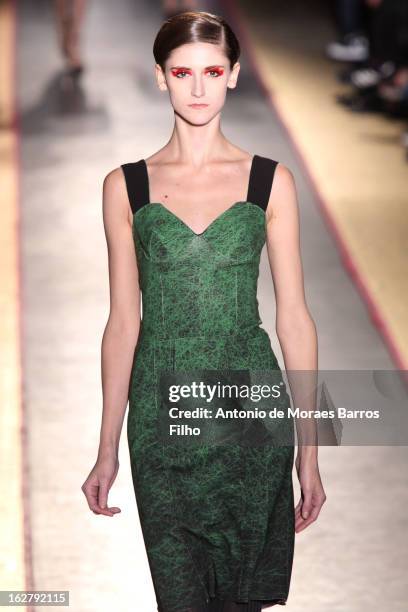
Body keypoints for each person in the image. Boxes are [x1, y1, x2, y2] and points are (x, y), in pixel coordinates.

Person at [81, 10, 326, 612]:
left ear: (234, 75)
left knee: (242, 601)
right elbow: (122, 323)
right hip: (162, 422)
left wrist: (309, 450)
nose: (198, 88)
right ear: (161, 77)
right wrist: (107, 446)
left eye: (212, 71)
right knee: (181, 598)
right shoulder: (126, 187)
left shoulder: (271, 182)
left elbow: (294, 316)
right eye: (182, 72)